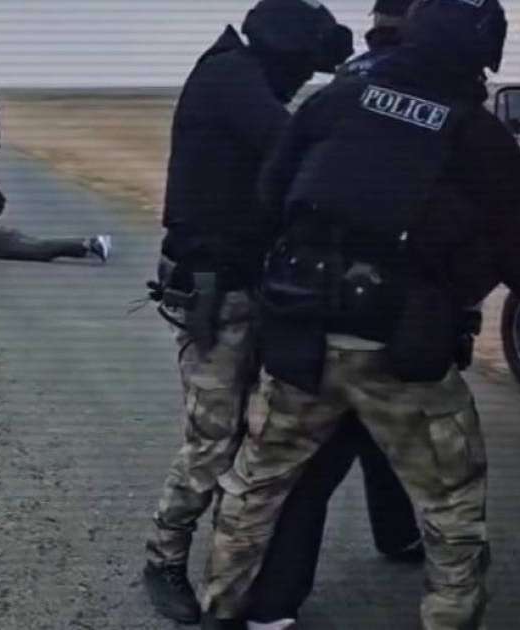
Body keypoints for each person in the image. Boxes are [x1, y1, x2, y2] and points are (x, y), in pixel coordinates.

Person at [199, 1, 520, 628]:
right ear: (480, 58)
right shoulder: (476, 134)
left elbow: (270, 196)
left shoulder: (333, 102)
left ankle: (224, 611)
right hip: (401, 356)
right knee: (453, 512)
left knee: (256, 489)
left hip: (301, 340)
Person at [142, 0, 357, 624]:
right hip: (216, 293)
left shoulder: (245, 74)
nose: (300, 83)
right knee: (212, 443)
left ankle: (232, 570)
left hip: (249, 289)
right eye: (303, 69)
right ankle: (164, 556)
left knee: (251, 441)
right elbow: (292, 145)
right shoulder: (231, 76)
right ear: (283, 53)